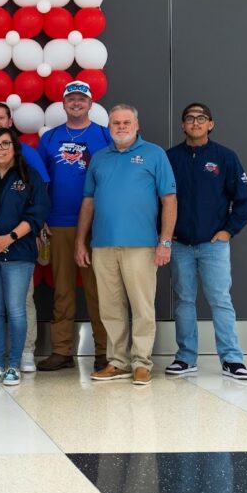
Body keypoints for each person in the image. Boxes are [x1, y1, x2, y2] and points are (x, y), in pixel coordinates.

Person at [77, 104, 176, 386]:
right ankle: (118, 362)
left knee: (142, 307)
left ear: (137, 124)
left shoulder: (154, 154)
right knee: (110, 307)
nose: (120, 127)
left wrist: (165, 241)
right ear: (109, 127)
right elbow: (88, 202)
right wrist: (81, 242)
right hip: (103, 246)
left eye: (126, 122)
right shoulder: (99, 158)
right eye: (115, 123)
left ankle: (142, 362)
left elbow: (169, 199)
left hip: (142, 246)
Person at [166, 103, 247, 380]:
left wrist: (228, 231)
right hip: (180, 245)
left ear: (211, 124)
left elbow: (243, 199)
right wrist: (166, 233)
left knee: (220, 300)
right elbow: (158, 200)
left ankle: (232, 359)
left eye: (201, 118)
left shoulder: (225, 157)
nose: (195, 122)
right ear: (182, 125)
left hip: (213, 245)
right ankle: (186, 357)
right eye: (190, 119)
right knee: (184, 301)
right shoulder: (169, 158)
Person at [0, 102, 50, 373]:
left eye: (5, 144)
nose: (0, 148)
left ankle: (19, 358)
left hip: (19, 250)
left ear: (14, 145)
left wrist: (10, 237)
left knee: (18, 307)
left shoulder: (29, 171)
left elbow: (38, 209)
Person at [36, 81, 113, 373]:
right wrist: (40, 215)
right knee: (63, 289)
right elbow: (39, 180)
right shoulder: (51, 137)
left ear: (90, 104)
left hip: (96, 226)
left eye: (82, 99)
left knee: (99, 291)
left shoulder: (104, 136)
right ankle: (61, 350)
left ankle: (104, 352)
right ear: (64, 104)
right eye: (71, 99)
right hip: (58, 223)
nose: (76, 103)